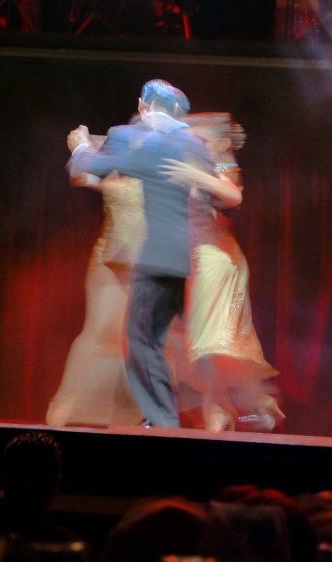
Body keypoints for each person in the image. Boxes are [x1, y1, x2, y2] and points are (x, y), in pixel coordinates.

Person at [67, 80, 218, 428]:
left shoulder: (130, 136)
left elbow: (93, 167)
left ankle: (163, 423)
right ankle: (176, 415)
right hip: (187, 258)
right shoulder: (192, 142)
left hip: (157, 258)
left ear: (141, 104)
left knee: (142, 341)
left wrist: (80, 146)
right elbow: (214, 196)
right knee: (169, 341)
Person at [160, 113, 283, 431]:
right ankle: (244, 402)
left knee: (206, 340)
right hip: (194, 261)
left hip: (213, 258)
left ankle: (220, 406)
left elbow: (233, 196)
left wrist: (194, 173)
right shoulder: (182, 162)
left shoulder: (213, 165)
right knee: (193, 340)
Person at [46, 138, 146, 428]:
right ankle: (69, 409)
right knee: (101, 333)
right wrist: (83, 148)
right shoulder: (114, 172)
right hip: (111, 263)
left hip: (142, 266)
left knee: (131, 340)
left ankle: (128, 412)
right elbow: (80, 176)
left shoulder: (158, 173)